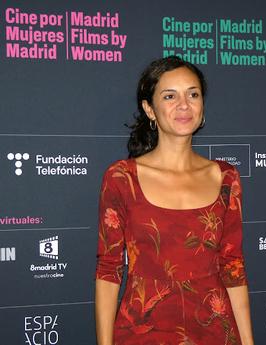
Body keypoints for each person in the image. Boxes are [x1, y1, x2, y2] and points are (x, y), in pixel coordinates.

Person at [95, 56, 254, 345]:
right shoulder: (122, 178)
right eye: (170, 96)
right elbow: (109, 270)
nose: (184, 105)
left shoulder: (226, 178)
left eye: (192, 94)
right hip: (143, 334)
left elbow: (233, 268)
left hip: (215, 332)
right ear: (149, 109)